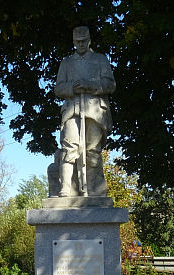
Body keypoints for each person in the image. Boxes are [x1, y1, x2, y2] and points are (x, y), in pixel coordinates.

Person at [55, 26, 115, 197]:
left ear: (89, 41)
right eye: (77, 42)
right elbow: (58, 88)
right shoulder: (66, 62)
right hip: (72, 109)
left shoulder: (100, 60)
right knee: (69, 147)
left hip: (95, 110)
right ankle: (66, 187)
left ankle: (94, 188)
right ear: (74, 42)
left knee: (92, 150)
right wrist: (71, 88)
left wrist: (91, 86)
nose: (80, 44)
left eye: (83, 41)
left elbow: (110, 85)